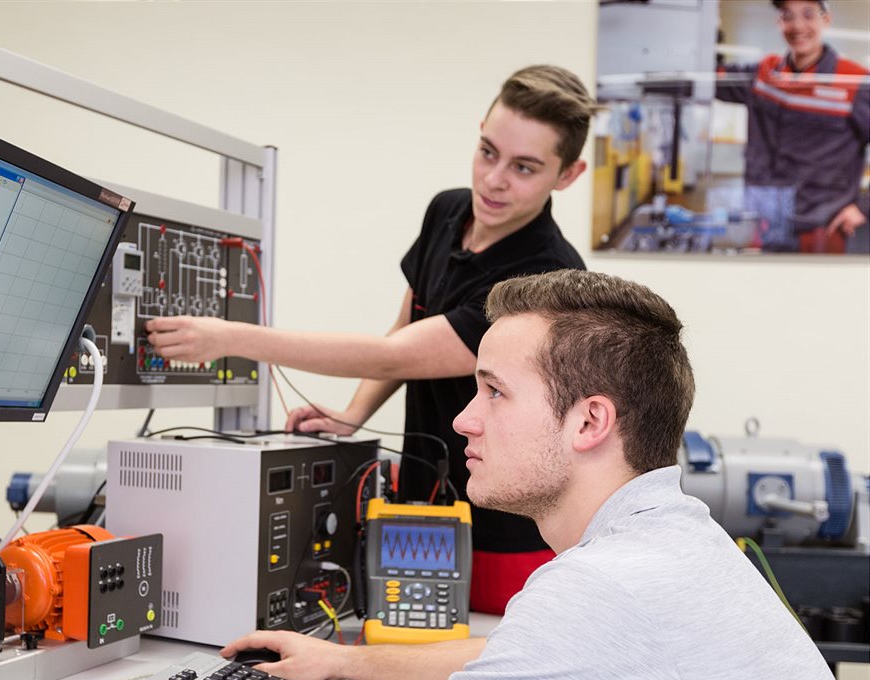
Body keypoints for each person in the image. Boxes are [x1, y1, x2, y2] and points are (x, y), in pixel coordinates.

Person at [220, 270, 870, 680]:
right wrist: (343, 660)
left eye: (493, 392)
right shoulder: (675, 548)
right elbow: (514, 664)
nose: (465, 422)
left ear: (589, 422)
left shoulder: (607, 589)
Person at [147, 65, 595, 615]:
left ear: (568, 174)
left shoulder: (542, 276)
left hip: (502, 531)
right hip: (424, 500)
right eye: (487, 151)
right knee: (400, 642)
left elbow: (396, 355)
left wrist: (232, 338)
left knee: (473, 666)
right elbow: (406, 327)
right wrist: (352, 415)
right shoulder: (449, 210)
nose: (494, 180)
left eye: (524, 167)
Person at [715, 0, 870, 253]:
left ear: (826, 19)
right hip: (763, 224)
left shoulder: (853, 82)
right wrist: (712, 31)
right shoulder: (765, 74)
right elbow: (709, 78)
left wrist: (864, 207)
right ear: (779, 22)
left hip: (820, 233)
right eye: (788, 16)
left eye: (808, 15)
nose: (797, 25)